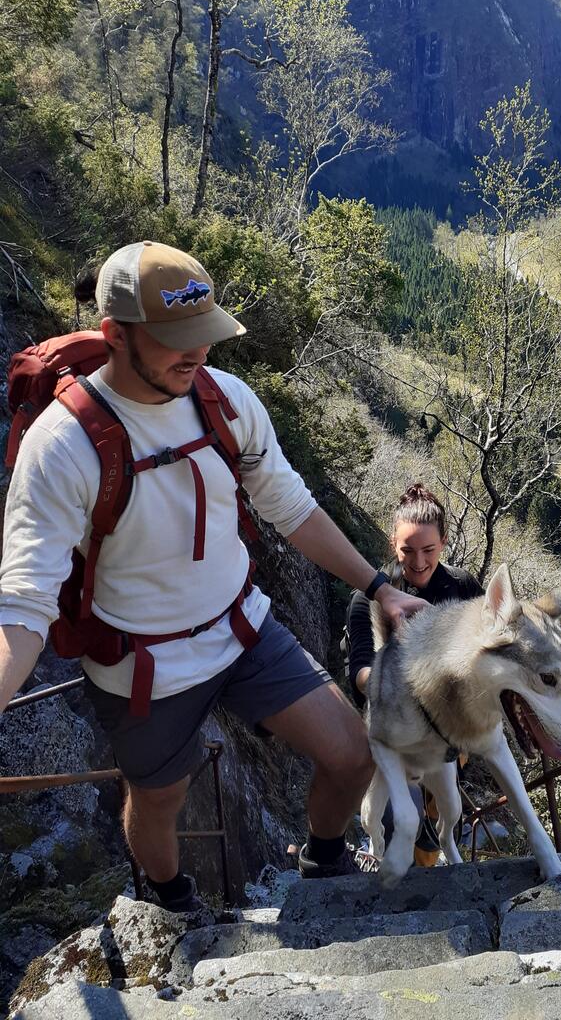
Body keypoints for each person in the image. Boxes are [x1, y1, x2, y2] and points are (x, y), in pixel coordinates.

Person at [0, 240, 425, 908]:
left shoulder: (224, 400)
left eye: (204, 335)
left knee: (351, 752)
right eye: (176, 340)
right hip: (142, 665)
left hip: (241, 624)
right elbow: (25, 605)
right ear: (116, 335)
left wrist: (380, 588)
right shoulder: (64, 446)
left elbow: (291, 506)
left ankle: (324, 856)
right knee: (160, 799)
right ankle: (172, 901)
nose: (197, 354)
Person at [346, 484, 481, 865]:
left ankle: (432, 850)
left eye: (429, 550)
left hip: (448, 733)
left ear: (445, 542)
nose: (418, 562)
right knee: (393, 822)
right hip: (394, 727)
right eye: (407, 550)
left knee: (442, 808)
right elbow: (359, 671)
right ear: (393, 544)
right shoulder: (369, 597)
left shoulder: (463, 588)